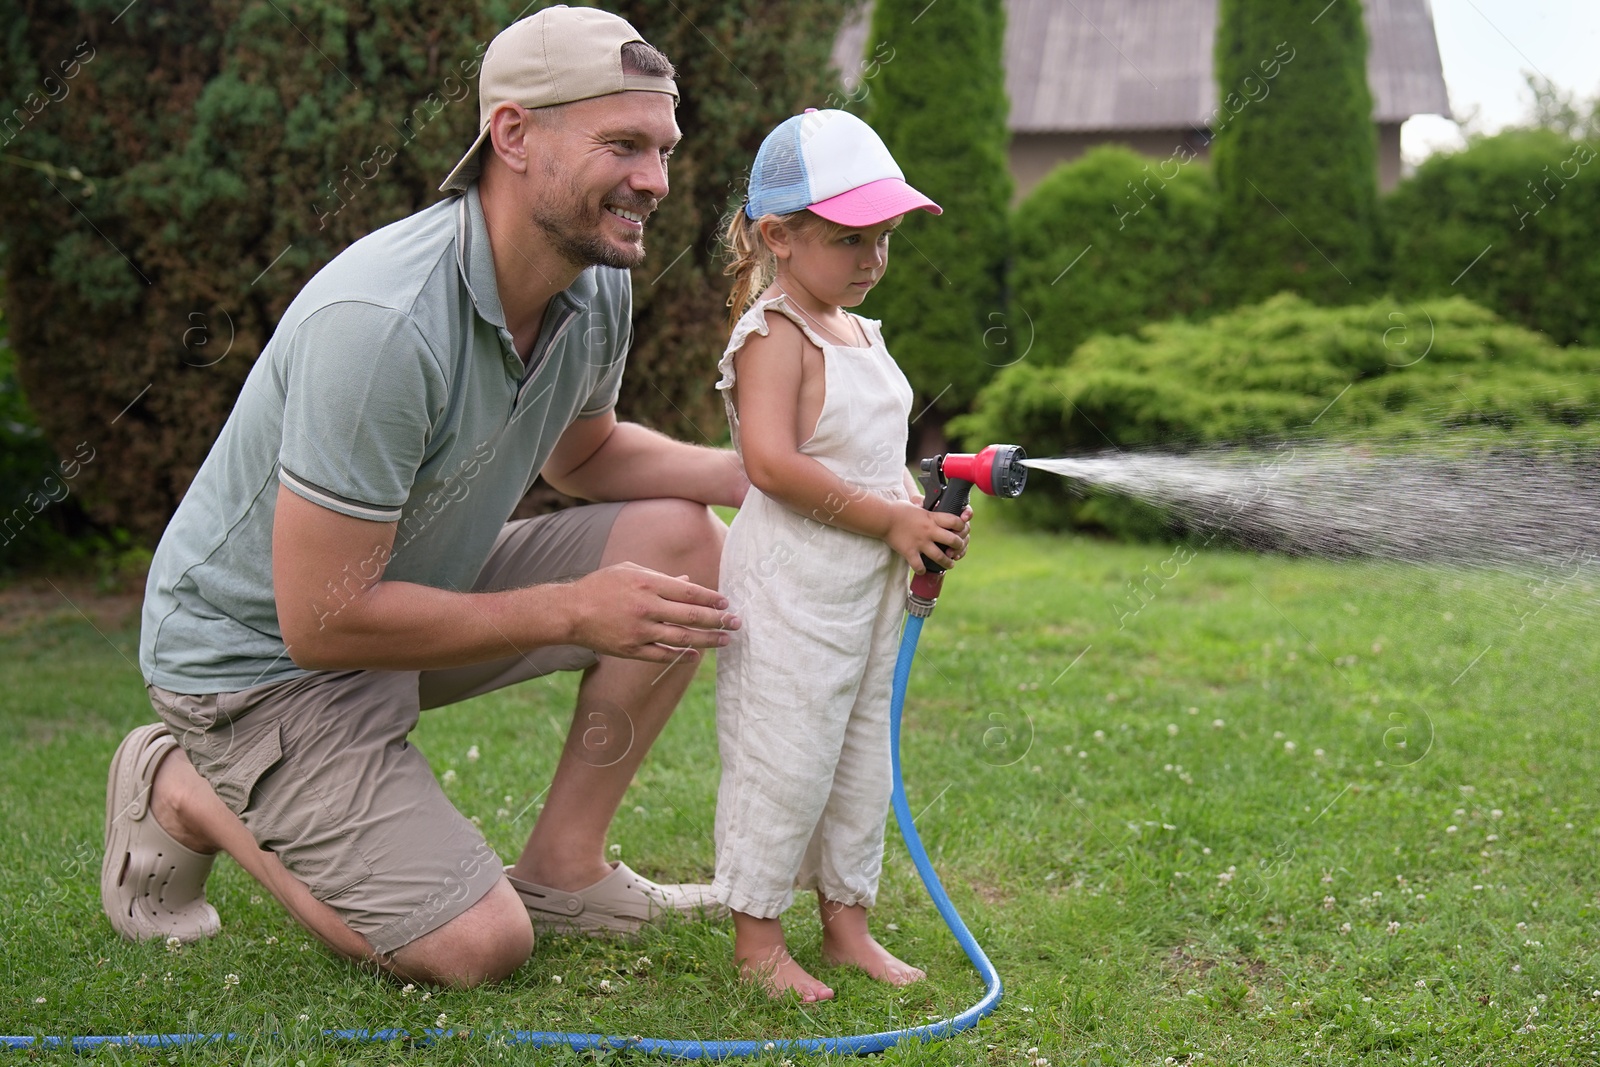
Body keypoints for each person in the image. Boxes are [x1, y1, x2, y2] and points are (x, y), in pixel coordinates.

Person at [102, 5, 748, 989]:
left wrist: (756, 473)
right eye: (623, 144)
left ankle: (566, 869)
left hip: (398, 598)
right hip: (260, 664)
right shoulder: (382, 323)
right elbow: (320, 624)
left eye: (661, 148)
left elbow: (584, 454)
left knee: (679, 537)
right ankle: (184, 784)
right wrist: (575, 607)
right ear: (514, 134)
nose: (654, 181)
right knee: (474, 947)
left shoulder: (594, 274)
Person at [709, 109, 969, 1002]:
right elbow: (773, 464)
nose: (871, 259)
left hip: (865, 590)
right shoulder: (777, 332)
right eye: (849, 238)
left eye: (884, 238)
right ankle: (757, 938)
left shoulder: (865, 332)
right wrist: (888, 520)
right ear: (779, 236)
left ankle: (847, 921)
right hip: (790, 591)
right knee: (787, 753)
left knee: (860, 754)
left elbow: (864, 454)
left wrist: (915, 514)